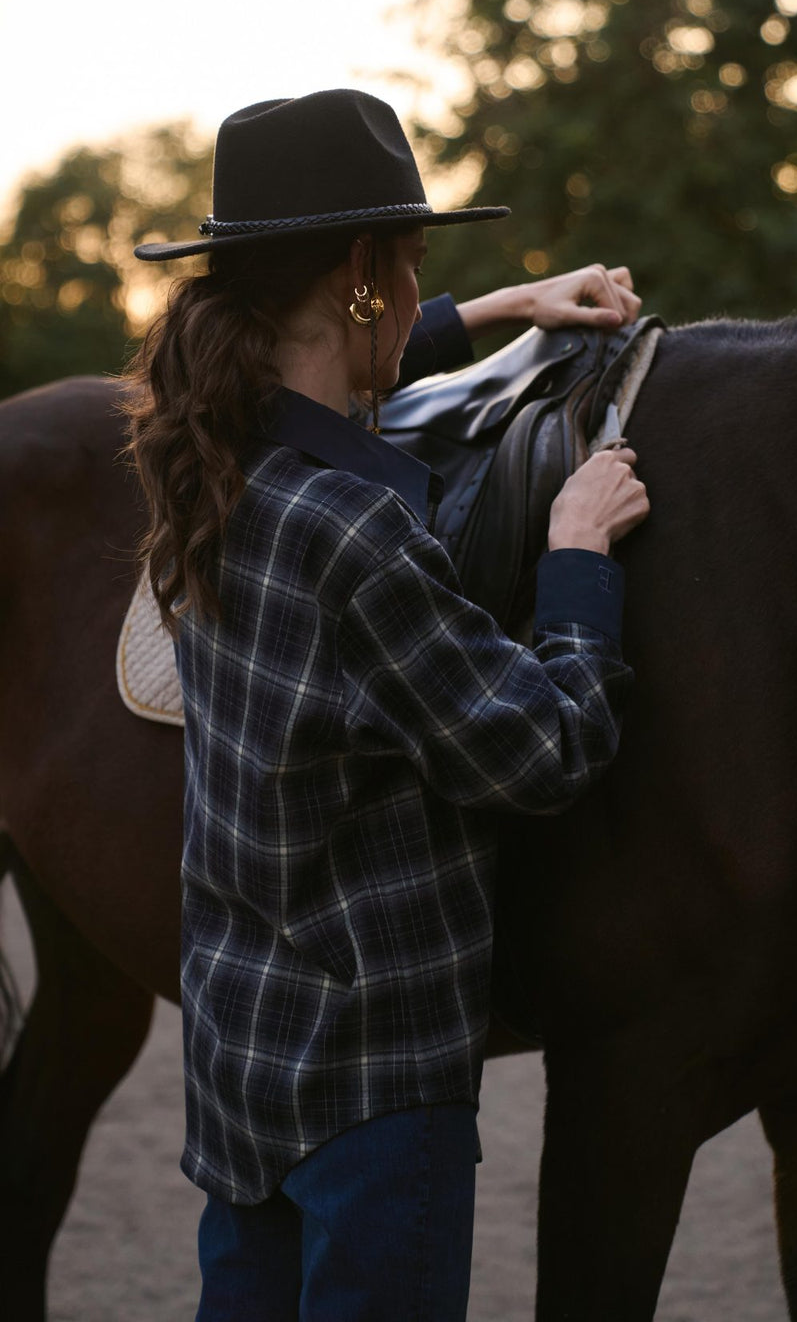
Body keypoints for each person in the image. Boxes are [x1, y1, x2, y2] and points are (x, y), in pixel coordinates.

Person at [127, 89, 649, 1321]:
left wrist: (502, 309)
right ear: (363, 273)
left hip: (244, 1058)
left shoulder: (202, 455)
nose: (418, 294)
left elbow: (311, 369)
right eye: (412, 267)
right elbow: (538, 749)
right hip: (372, 1089)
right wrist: (576, 560)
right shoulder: (353, 528)